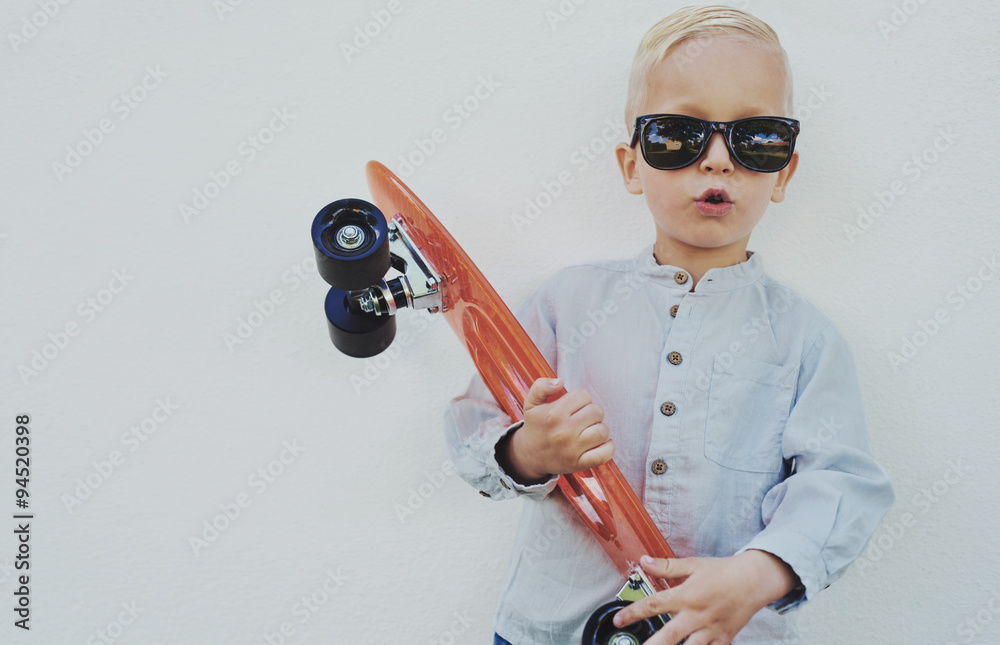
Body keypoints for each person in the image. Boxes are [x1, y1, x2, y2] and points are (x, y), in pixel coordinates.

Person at [444, 5, 894, 644]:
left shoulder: (805, 340)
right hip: (551, 630)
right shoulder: (563, 303)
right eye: (677, 135)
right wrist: (528, 451)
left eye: (756, 136)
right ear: (632, 165)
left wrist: (758, 575)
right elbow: (474, 427)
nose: (716, 161)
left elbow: (842, 482)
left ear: (786, 171)